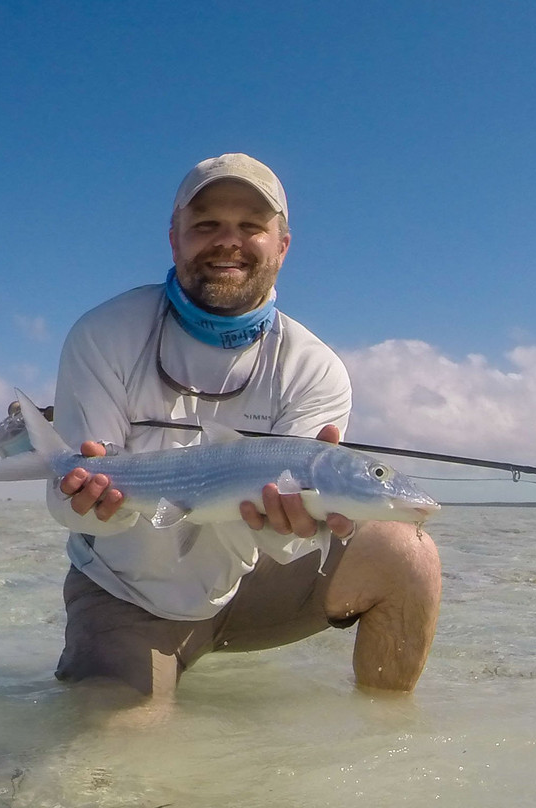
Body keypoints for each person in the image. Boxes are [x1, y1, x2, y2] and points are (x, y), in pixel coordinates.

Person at [47, 153, 441, 697]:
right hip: (125, 592)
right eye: (206, 225)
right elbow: (66, 506)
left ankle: (386, 743)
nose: (227, 241)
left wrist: (293, 527)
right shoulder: (104, 334)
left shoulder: (315, 367)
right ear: (174, 238)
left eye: (251, 226)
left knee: (408, 552)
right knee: (115, 769)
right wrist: (90, 500)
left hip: (248, 582)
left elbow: (284, 540)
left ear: (282, 244)